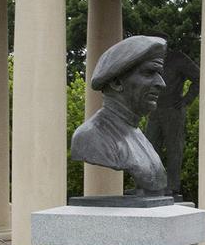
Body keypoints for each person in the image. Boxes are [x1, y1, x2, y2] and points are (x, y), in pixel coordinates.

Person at [70, 35, 168, 195]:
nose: (161, 83)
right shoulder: (89, 137)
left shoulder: (137, 135)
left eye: (159, 74)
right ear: (116, 83)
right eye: (149, 73)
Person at [144, 36, 199, 196]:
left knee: (174, 149)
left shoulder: (178, 59)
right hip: (154, 110)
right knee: (149, 148)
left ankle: (172, 186)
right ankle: (147, 185)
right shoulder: (150, 60)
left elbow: (198, 77)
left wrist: (186, 101)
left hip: (173, 110)